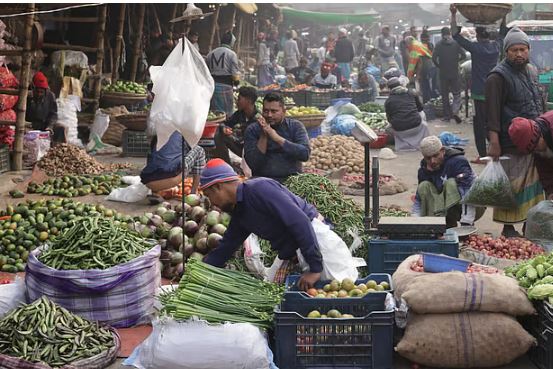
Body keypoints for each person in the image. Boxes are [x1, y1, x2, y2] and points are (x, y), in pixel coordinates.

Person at [200, 159, 358, 290]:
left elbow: (300, 222)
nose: (213, 204)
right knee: (271, 292)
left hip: (316, 243)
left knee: (334, 293)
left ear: (218, 187)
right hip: (293, 252)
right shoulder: (240, 212)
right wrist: (200, 272)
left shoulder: (259, 189)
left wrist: (315, 268)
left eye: (209, 196)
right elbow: (227, 246)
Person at [485, 27, 545, 237]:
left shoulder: (531, 70)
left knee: (533, 184)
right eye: (514, 50)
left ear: (529, 50)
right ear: (506, 52)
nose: (519, 54)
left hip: (533, 137)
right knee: (511, 185)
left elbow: (538, 101)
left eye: (523, 49)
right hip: (508, 141)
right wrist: (494, 140)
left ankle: (529, 224)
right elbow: (491, 111)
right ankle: (508, 228)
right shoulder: (497, 77)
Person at [451, 4, 507, 163]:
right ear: (489, 35)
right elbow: (503, 32)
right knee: (494, 122)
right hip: (495, 91)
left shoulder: (475, 48)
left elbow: (455, 35)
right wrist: (503, 15)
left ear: (477, 34)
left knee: (480, 124)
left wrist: (453, 15)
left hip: (479, 92)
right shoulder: (496, 47)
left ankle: (483, 155)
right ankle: (496, 150)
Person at [413, 136, 482, 228]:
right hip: (446, 210)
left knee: (450, 183)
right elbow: (419, 199)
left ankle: (461, 222)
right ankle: (440, 224)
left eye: (435, 156)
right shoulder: (423, 171)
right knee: (424, 186)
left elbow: (468, 192)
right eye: (428, 158)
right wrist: (414, 219)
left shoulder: (458, 162)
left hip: (473, 206)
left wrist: (467, 222)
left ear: (442, 150)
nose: (432, 161)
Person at [244, 93, 310, 182]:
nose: (269, 115)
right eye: (266, 111)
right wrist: (264, 136)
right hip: (262, 182)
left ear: (284, 111)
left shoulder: (295, 126)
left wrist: (277, 138)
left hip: (292, 181)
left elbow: (304, 154)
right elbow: (253, 164)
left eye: (274, 111)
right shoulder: (252, 130)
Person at [140, 131, 206, 199]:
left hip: (149, 182)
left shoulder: (159, 132)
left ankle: (155, 193)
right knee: (199, 150)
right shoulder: (184, 131)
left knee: (157, 157)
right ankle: (193, 194)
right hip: (173, 179)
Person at [508, 112, 553, 200]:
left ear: (540, 135)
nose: (537, 151)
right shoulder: (537, 149)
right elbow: (545, 171)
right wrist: (551, 191)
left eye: (536, 147)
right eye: (533, 150)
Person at [213, 86, 259, 165]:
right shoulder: (239, 114)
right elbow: (226, 123)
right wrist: (224, 128)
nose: (237, 102)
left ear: (248, 101)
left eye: (239, 99)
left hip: (253, 151)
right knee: (218, 134)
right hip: (241, 146)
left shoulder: (259, 118)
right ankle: (225, 166)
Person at [385, 77, 430, 152]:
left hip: (400, 130)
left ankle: (403, 144)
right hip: (416, 126)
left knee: (387, 128)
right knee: (422, 114)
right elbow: (420, 108)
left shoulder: (388, 101)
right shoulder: (412, 93)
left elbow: (389, 118)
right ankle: (421, 143)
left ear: (390, 89)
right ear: (400, 85)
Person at [432, 27, 466, 123]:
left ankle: (447, 116)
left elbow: (434, 58)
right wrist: (456, 61)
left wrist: (439, 66)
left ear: (442, 34)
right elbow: (463, 55)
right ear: (450, 33)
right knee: (456, 93)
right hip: (454, 72)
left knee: (445, 94)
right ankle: (455, 111)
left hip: (443, 73)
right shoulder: (456, 43)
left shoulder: (438, 45)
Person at [206, 32, 240, 117]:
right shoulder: (231, 54)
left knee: (214, 112)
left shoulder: (211, 53)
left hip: (212, 86)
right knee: (226, 113)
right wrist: (237, 83)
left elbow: (206, 70)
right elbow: (235, 73)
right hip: (226, 86)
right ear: (231, 42)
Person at [26, 72, 59, 139]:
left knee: (61, 128)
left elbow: (53, 114)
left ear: (45, 91)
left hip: (44, 125)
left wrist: (50, 127)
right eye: (37, 92)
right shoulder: (27, 95)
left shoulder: (50, 96)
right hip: (29, 125)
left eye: (41, 92)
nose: (39, 94)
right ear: (33, 88)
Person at [405, 36, 433, 101]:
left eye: (406, 43)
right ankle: (428, 100)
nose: (407, 46)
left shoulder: (414, 47)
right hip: (429, 63)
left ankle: (426, 102)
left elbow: (412, 64)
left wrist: (409, 76)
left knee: (424, 85)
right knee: (427, 84)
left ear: (409, 41)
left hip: (425, 65)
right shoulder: (418, 43)